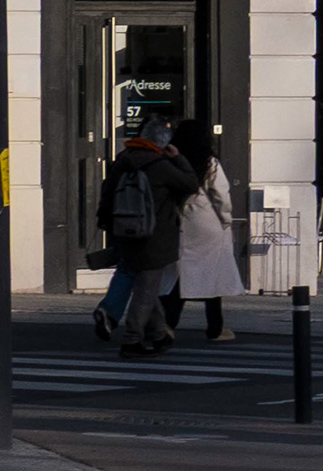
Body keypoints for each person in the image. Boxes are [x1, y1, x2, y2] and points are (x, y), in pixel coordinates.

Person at [96, 121, 198, 354]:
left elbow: (107, 193)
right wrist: (178, 158)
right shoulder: (160, 165)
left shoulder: (123, 160)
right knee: (146, 289)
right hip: (155, 236)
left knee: (146, 286)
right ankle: (132, 339)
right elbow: (191, 183)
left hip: (125, 231)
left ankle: (160, 334)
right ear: (162, 143)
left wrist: (107, 224)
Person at [164, 118, 245, 343]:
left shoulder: (170, 160)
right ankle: (215, 328)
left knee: (181, 276)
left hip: (180, 220)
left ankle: (168, 323)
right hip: (206, 221)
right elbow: (221, 195)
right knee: (213, 277)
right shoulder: (209, 162)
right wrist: (226, 220)